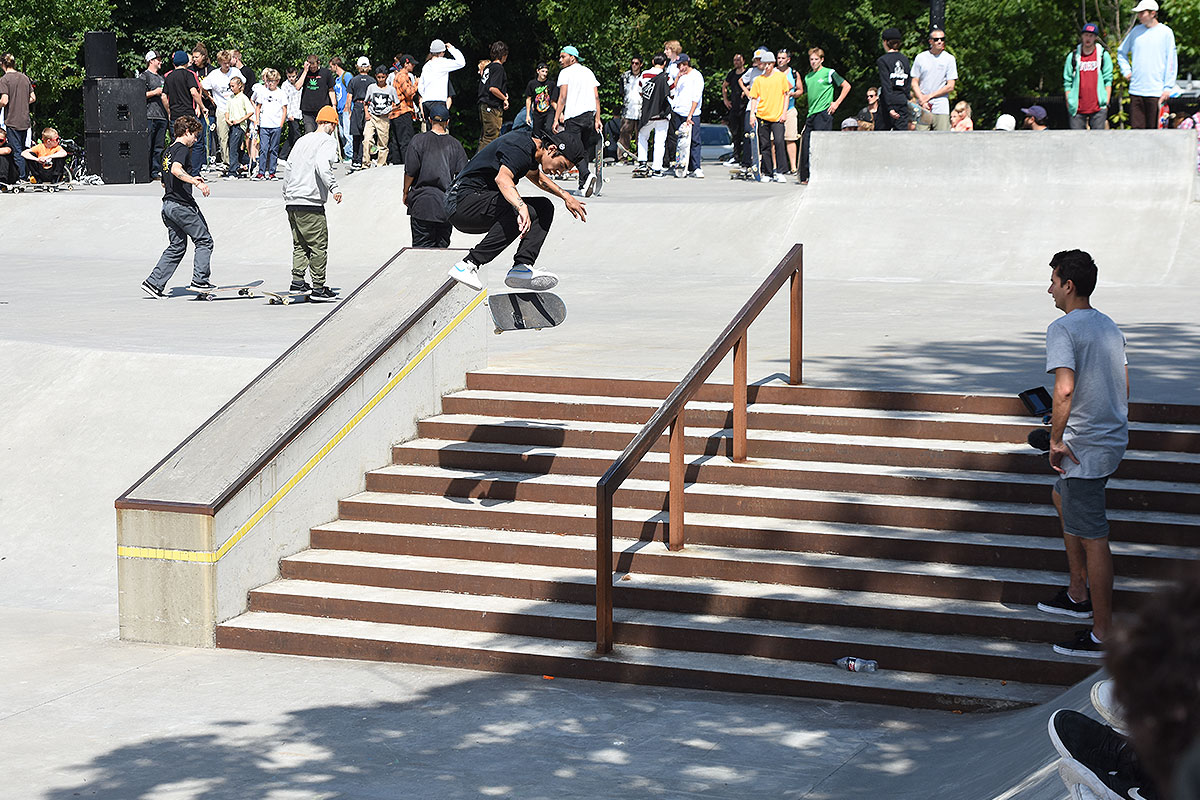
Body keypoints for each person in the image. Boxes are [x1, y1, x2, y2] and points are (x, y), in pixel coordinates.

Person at [1035, 249, 1128, 659]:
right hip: (1109, 438)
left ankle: (1102, 633)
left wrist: (1056, 438)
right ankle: (1076, 591)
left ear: (1068, 285)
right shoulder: (1108, 326)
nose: (1050, 289)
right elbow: (1122, 383)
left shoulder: (1063, 328)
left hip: (1083, 448)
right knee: (1061, 496)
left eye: (1053, 281)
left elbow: (1065, 389)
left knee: (1095, 537)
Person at [443, 127, 588, 292]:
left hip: (475, 203)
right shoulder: (521, 147)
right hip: (461, 203)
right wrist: (521, 206)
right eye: (562, 165)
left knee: (543, 208)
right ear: (552, 149)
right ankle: (468, 265)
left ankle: (522, 266)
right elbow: (503, 178)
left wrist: (566, 196)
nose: (559, 172)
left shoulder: (533, 150)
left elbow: (537, 178)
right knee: (516, 209)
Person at [142, 116, 215, 298]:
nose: (196, 140)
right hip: (181, 206)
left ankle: (154, 283)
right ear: (187, 132)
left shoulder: (168, 150)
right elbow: (176, 169)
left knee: (177, 246)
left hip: (167, 205)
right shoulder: (182, 149)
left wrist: (187, 180)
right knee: (204, 240)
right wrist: (195, 182)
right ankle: (200, 281)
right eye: (195, 136)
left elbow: (165, 181)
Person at [281, 105, 342, 299]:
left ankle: (297, 282)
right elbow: (323, 166)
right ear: (331, 124)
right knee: (318, 245)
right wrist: (334, 188)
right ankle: (318, 287)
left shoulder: (302, 140)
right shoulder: (327, 141)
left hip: (292, 201)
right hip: (311, 201)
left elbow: (288, 168)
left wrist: (287, 193)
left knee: (300, 244)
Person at [402, 101, 468, 248]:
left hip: (422, 205)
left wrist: (405, 192)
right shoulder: (455, 145)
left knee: (421, 251)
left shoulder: (418, 141)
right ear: (448, 121)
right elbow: (463, 176)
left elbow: (410, 172)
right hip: (444, 207)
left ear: (429, 120)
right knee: (441, 253)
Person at [1118, 0, 1177, 130]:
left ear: (1153, 13)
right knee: (1137, 131)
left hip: (1156, 91)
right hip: (1136, 90)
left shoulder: (1166, 32)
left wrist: (1168, 87)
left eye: (1142, 13)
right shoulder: (1135, 32)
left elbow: (1171, 61)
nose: (1139, 16)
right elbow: (1121, 52)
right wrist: (1126, 71)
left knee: (1154, 131)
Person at [554, 45, 602, 196]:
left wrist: (556, 118)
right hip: (589, 115)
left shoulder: (565, 73)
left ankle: (587, 175)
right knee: (584, 150)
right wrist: (597, 118)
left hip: (573, 116)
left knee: (572, 150)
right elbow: (596, 96)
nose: (560, 60)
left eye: (563, 57)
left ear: (572, 58)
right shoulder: (588, 72)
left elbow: (562, 97)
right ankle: (583, 186)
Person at [798, 47, 851, 185]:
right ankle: (806, 175)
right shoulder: (808, 77)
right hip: (812, 113)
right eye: (811, 60)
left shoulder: (829, 72)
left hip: (824, 113)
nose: (813, 62)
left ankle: (823, 173)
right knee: (806, 144)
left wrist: (836, 103)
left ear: (821, 60)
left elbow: (846, 86)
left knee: (821, 145)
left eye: (816, 59)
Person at [748, 51, 789, 183]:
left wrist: (784, 112)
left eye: (769, 64)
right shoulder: (759, 80)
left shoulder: (781, 77)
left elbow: (786, 94)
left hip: (777, 116)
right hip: (762, 115)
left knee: (779, 142)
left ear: (773, 64)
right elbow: (754, 98)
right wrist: (752, 115)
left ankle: (781, 171)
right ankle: (768, 172)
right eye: (764, 64)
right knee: (764, 145)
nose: (766, 67)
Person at [200, 51, 244, 170]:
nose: (227, 65)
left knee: (237, 136)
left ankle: (236, 160)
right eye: (224, 63)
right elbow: (202, 85)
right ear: (220, 62)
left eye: (229, 63)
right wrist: (210, 97)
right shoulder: (214, 75)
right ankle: (227, 162)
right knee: (223, 137)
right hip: (222, 108)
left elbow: (243, 84)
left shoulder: (235, 72)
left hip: (235, 109)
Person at [1065, 23, 1113, 130]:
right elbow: (1067, 81)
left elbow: (1108, 79)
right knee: (1077, 141)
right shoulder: (1073, 56)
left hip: (1098, 108)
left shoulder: (1103, 56)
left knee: (1098, 141)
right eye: (1086, 35)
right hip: (1077, 108)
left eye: (1091, 36)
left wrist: (1106, 101)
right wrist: (1069, 101)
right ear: (1082, 36)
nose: (1088, 38)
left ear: (1095, 38)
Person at [164, 51, 205, 176]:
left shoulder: (169, 76)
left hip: (175, 116)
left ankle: (175, 169)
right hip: (187, 114)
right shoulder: (188, 75)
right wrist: (202, 107)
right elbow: (193, 92)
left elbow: (164, 96)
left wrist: (169, 111)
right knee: (196, 143)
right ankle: (194, 172)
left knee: (176, 142)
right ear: (186, 62)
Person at [911, 26, 958, 131]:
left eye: (942, 39)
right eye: (936, 39)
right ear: (930, 41)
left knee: (942, 139)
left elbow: (950, 86)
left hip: (941, 106)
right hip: (923, 106)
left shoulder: (949, 59)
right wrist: (922, 100)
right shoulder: (921, 57)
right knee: (921, 138)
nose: (940, 41)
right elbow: (914, 82)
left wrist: (930, 96)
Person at [666, 54, 704, 178]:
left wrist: (690, 115)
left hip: (692, 113)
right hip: (678, 111)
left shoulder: (696, 76)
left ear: (687, 63)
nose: (680, 68)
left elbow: (696, 96)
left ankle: (696, 167)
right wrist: (677, 77)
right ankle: (682, 166)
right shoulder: (680, 76)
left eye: (682, 65)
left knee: (694, 140)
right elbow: (674, 90)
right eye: (678, 66)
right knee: (680, 141)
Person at [0, 54, 35, 182]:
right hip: (25, 120)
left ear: (2, 63)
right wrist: (21, 102)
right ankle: (24, 174)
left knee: (16, 151)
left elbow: (4, 100)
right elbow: (33, 98)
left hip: (12, 120)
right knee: (23, 149)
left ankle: (22, 177)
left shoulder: (4, 80)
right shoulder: (25, 78)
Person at [636, 53, 671, 176]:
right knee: (660, 141)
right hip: (662, 113)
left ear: (652, 61)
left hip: (648, 113)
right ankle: (657, 168)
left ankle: (642, 162)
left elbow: (641, 91)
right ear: (665, 63)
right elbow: (671, 92)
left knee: (642, 136)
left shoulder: (645, 74)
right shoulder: (667, 76)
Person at [419, 39, 466, 125]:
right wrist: (452, 48)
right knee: (440, 130)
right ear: (441, 52)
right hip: (438, 101)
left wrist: (425, 96)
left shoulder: (426, 66)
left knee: (430, 130)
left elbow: (420, 87)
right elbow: (462, 62)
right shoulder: (443, 63)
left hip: (426, 102)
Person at [140, 52, 170, 180]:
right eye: (158, 60)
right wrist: (154, 92)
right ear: (151, 61)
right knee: (147, 145)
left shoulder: (162, 77)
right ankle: (145, 171)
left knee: (159, 146)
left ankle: (155, 171)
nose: (160, 62)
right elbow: (138, 95)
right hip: (149, 115)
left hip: (161, 115)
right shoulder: (144, 76)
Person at [876, 28, 911, 132]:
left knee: (881, 132)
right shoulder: (905, 59)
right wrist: (907, 97)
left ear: (885, 42)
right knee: (901, 133)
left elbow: (886, 84)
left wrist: (890, 107)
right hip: (902, 99)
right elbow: (908, 81)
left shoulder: (883, 60)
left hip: (888, 101)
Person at [476, 42, 510, 151]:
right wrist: (504, 98)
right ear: (503, 55)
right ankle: (480, 164)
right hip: (491, 106)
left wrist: (503, 94)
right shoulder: (498, 68)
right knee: (491, 137)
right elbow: (493, 88)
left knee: (485, 136)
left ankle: (478, 162)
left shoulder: (488, 67)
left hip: (484, 104)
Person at [254, 69, 287, 179]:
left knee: (273, 149)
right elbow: (258, 107)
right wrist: (257, 120)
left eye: (273, 81)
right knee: (263, 148)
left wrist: (281, 124)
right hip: (264, 124)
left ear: (277, 81)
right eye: (268, 81)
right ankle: (261, 171)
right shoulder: (263, 92)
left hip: (276, 124)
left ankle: (272, 172)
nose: (270, 83)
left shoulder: (281, 93)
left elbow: (284, 109)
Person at [364, 66, 398, 167]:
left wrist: (391, 111)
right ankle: (365, 162)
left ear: (386, 77)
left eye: (383, 77)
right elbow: (366, 102)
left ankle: (381, 163)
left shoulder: (391, 90)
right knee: (367, 139)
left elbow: (397, 103)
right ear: (375, 77)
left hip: (384, 118)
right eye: (378, 77)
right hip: (372, 116)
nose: (381, 80)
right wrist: (367, 113)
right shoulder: (371, 88)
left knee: (383, 143)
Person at [387, 55, 418, 164]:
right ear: (406, 63)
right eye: (412, 63)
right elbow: (409, 93)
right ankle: (407, 166)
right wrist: (417, 84)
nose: (413, 65)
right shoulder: (403, 76)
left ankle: (397, 165)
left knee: (396, 141)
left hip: (395, 113)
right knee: (406, 141)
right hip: (403, 112)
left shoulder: (397, 75)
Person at [294, 55, 336, 133]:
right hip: (308, 110)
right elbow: (297, 87)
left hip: (323, 109)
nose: (313, 69)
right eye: (311, 67)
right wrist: (305, 71)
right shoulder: (303, 72)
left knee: (323, 132)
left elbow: (331, 90)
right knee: (309, 132)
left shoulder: (326, 73)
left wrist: (334, 105)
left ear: (318, 63)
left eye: (314, 67)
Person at [222, 77, 254, 178]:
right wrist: (227, 119)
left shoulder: (243, 97)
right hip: (231, 125)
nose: (231, 88)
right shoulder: (231, 98)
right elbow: (227, 110)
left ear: (239, 86)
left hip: (239, 126)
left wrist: (240, 120)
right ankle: (251, 163)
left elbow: (250, 111)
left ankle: (232, 172)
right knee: (235, 149)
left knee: (233, 149)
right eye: (230, 86)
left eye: (233, 86)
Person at [346, 57, 373, 170]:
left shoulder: (354, 80)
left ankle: (355, 159)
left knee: (356, 134)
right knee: (365, 134)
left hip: (357, 106)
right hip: (368, 106)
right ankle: (363, 158)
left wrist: (349, 111)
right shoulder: (372, 80)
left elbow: (349, 97)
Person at [722, 53, 748, 166]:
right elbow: (724, 86)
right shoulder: (732, 74)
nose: (736, 62)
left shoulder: (748, 73)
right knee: (735, 133)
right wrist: (725, 100)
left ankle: (746, 157)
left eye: (738, 60)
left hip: (745, 106)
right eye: (734, 60)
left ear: (743, 61)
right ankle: (736, 156)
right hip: (734, 107)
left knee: (745, 132)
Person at [777, 50, 800, 173]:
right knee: (774, 140)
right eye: (778, 58)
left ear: (788, 60)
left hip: (790, 109)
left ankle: (793, 167)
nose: (780, 60)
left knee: (790, 138)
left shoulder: (794, 73)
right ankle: (775, 167)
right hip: (775, 109)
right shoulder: (772, 72)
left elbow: (800, 90)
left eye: (783, 58)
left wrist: (794, 94)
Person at [618, 56, 644, 162]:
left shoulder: (644, 76)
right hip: (628, 109)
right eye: (632, 63)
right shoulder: (625, 76)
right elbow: (621, 91)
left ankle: (640, 158)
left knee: (641, 135)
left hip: (641, 109)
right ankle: (622, 158)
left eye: (636, 63)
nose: (634, 65)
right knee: (624, 134)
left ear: (641, 64)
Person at [524, 62, 556, 138]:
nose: (544, 74)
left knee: (548, 129)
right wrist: (528, 115)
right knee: (537, 135)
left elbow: (553, 100)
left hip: (549, 111)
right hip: (537, 113)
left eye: (546, 72)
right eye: (543, 71)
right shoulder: (532, 84)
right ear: (538, 71)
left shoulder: (551, 84)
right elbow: (528, 99)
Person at [330, 56, 351, 160]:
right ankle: (346, 153)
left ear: (336, 65)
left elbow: (350, 91)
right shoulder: (337, 79)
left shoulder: (346, 76)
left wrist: (347, 106)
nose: (331, 69)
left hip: (346, 109)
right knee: (342, 134)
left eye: (331, 66)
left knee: (347, 133)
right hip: (339, 110)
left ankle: (350, 155)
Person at [281, 66, 303, 159]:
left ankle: (282, 155)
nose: (291, 79)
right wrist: (288, 114)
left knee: (291, 135)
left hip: (299, 112)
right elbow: (285, 101)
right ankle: (298, 155)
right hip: (291, 113)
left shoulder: (299, 83)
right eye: (289, 77)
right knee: (296, 134)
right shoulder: (285, 85)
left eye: (293, 76)